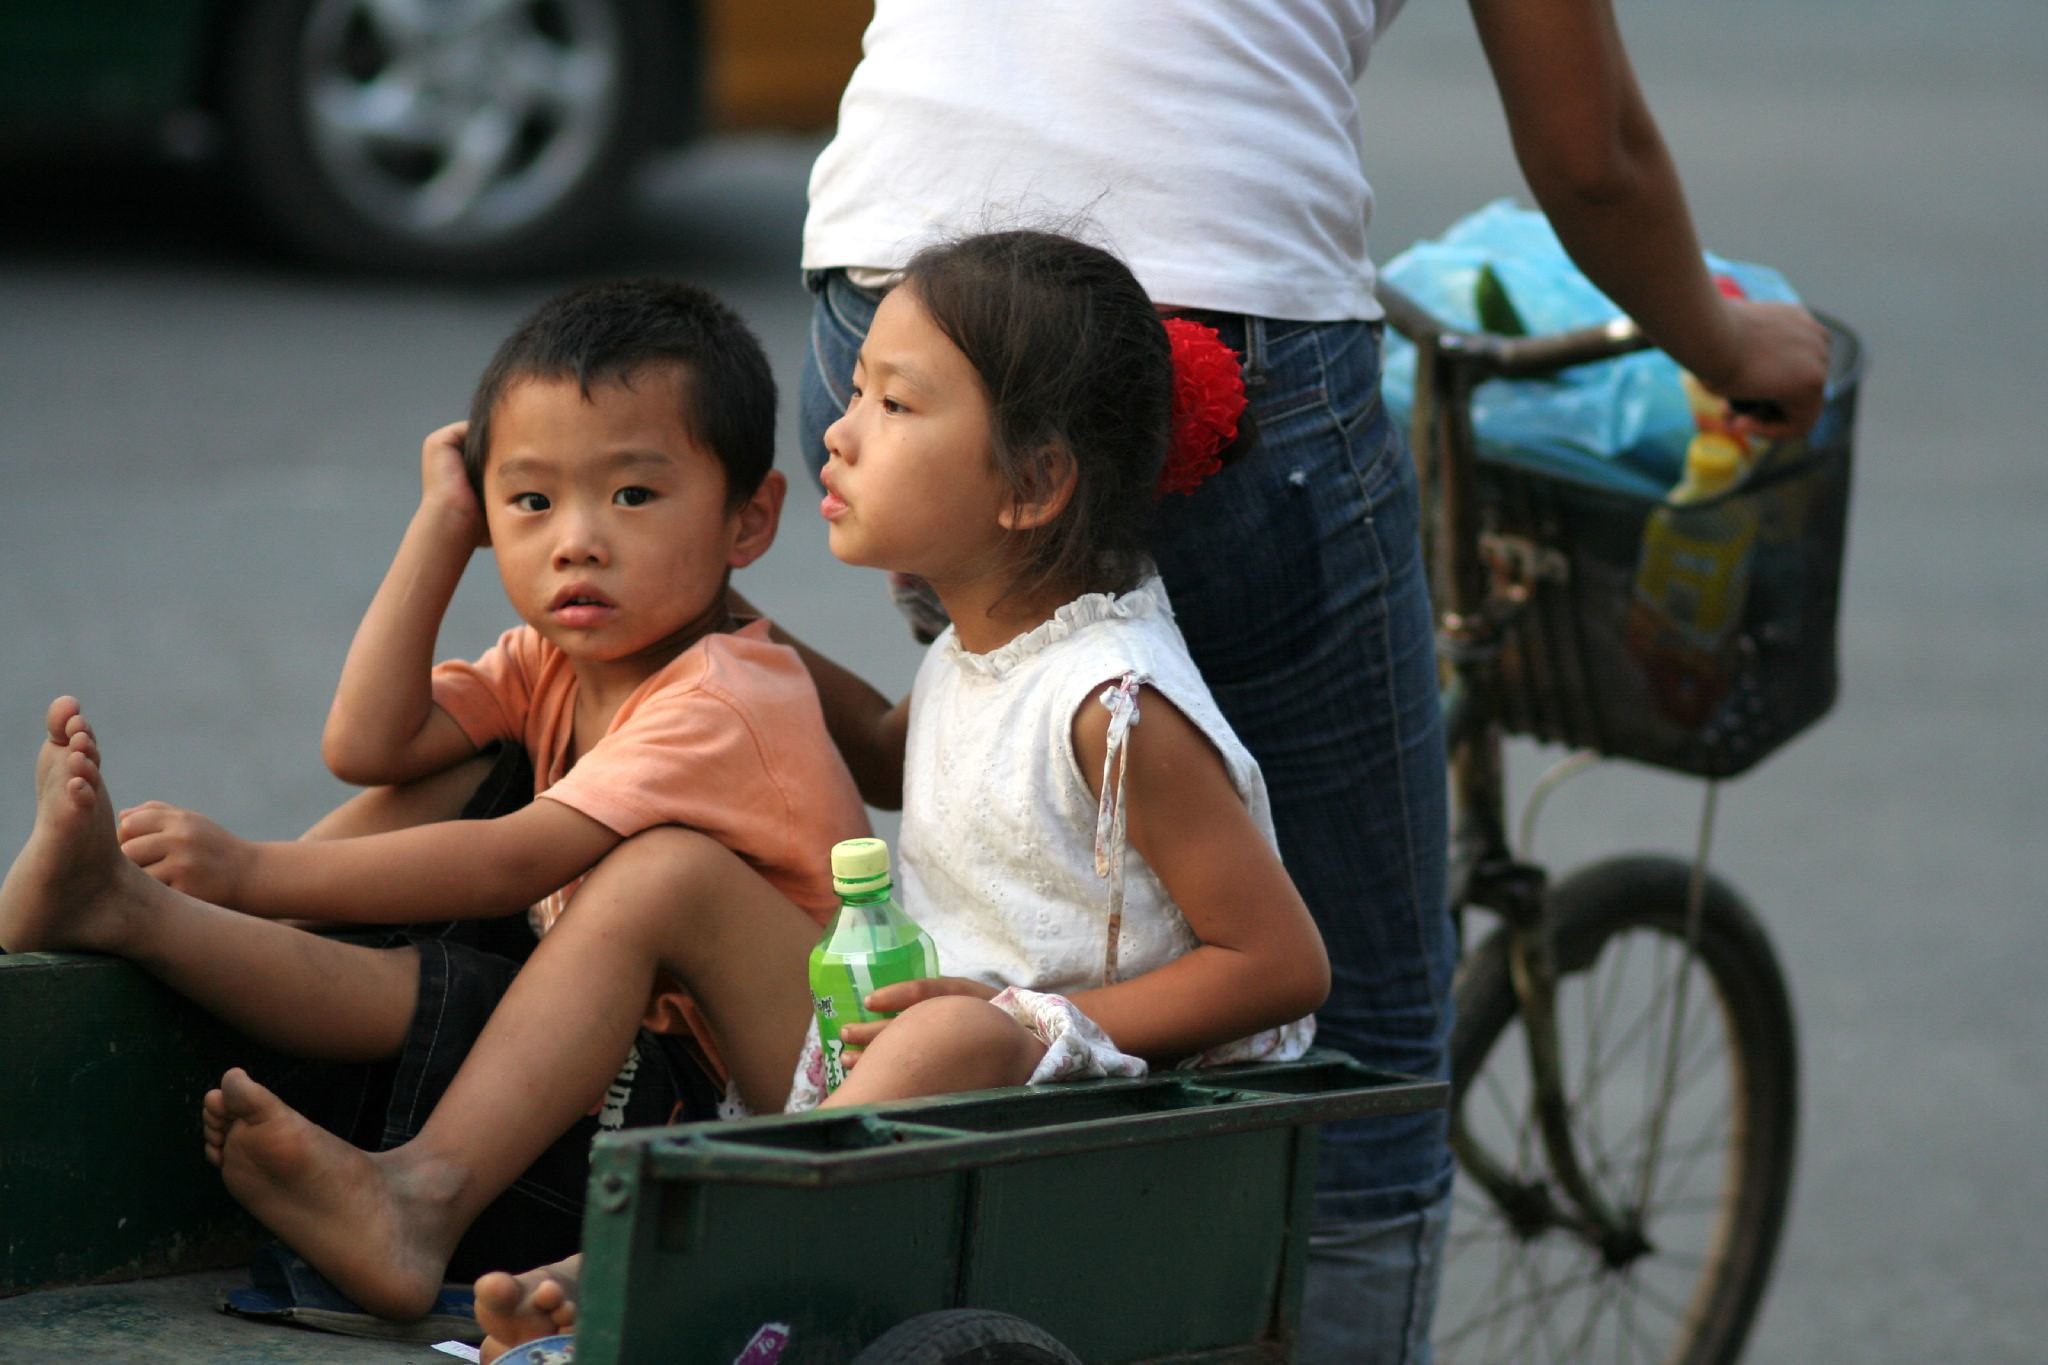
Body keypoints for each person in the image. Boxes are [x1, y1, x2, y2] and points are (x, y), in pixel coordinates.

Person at [793, 5, 1832, 1359]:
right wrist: (1732, 346)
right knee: (1374, 1045)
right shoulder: (1122, 698)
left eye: (868, 415)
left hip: (886, 248)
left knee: (1022, 789)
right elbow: (1595, 158)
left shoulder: (1089, 672)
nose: (833, 441)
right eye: (852, 409)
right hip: (1213, 298)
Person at [472, 229, 1335, 1362]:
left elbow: (1279, 966)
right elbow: (894, 753)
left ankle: (645, 1278)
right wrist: (722, 625)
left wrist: (1015, 1025)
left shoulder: (1112, 705)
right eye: (858, 391)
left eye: (893, 404)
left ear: (1030, 484)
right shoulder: (985, 638)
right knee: (665, 873)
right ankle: (431, 1191)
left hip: (1081, 1120)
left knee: (941, 1041)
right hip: (913, 1060)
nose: (840, 428)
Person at [0, 279, 869, 1324]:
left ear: (749, 519)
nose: (575, 541)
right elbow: (367, 746)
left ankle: (416, 1195)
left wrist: (250, 866)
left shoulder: (725, 694)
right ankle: (132, 914)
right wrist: (440, 526)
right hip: (626, 1069)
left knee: (650, 875)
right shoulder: (554, 659)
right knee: (451, 784)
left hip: (794, 1101)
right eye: (530, 501)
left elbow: (513, 863)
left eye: (632, 497)